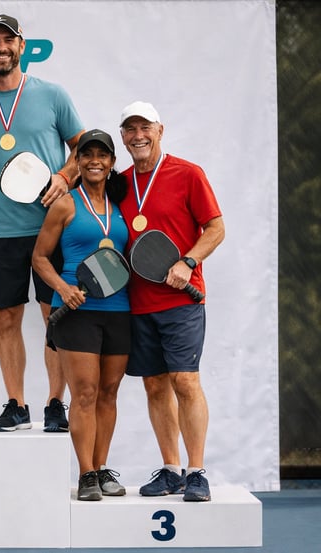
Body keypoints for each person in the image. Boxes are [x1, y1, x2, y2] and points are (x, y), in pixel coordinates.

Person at [0, 14, 85, 432]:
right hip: (1, 230)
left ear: (22, 46)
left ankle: (55, 403)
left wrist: (63, 177)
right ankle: (16, 404)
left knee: (52, 313)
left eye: (8, 40)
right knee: (7, 318)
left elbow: (82, 149)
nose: (1, 48)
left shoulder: (52, 95)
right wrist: (4, 191)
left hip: (51, 227)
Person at [117, 101, 225, 502]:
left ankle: (197, 472)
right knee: (155, 386)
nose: (137, 135)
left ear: (160, 130)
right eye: (129, 129)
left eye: (144, 126)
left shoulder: (189, 174)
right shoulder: (120, 183)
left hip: (182, 300)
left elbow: (216, 227)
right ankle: (170, 470)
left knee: (185, 380)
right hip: (138, 302)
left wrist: (188, 260)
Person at [32, 130, 130, 500]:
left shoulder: (123, 204)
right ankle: (86, 474)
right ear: (77, 162)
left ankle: (102, 468)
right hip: (76, 311)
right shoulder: (65, 205)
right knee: (85, 393)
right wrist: (62, 288)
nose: (94, 161)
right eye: (86, 154)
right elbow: (39, 258)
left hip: (120, 310)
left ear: (111, 162)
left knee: (108, 392)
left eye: (101, 155)